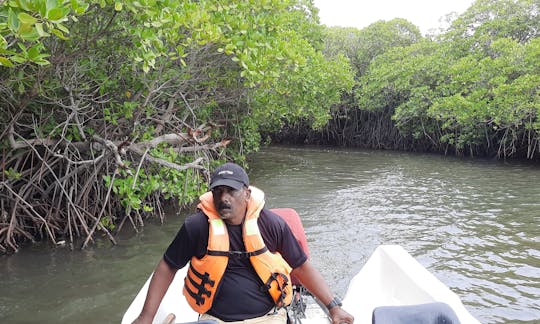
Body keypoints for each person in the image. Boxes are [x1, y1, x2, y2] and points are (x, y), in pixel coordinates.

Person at [133, 162, 354, 324]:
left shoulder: (271, 224)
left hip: (268, 318)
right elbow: (168, 265)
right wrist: (146, 317)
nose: (223, 198)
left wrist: (333, 307)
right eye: (218, 191)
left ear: (247, 194)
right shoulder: (197, 227)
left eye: (231, 190)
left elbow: (301, 267)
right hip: (215, 320)